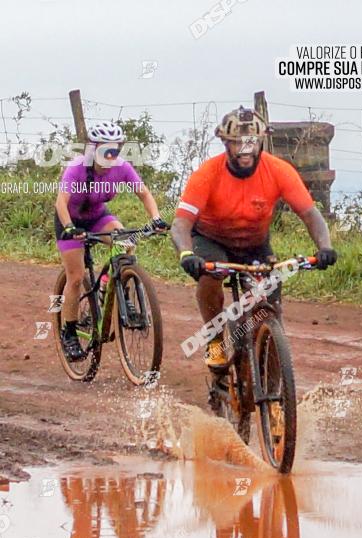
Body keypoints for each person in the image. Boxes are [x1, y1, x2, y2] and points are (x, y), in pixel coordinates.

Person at [171, 106, 337, 368]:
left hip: (255, 245)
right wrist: (187, 254)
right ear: (225, 143)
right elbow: (181, 223)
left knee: (269, 305)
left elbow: (310, 214)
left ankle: (272, 378)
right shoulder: (207, 173)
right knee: (209, 275)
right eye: (236, 144)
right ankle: (215, 341)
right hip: (211, 239)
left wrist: (325, 247)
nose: (244, 150)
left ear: (261, 141)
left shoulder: (279, 170)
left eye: (251, 142)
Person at [55, 121, 168, 361]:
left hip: (97, 217)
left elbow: (144, 193)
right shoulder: (77, 168)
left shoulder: (122, 168)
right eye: (105, 150)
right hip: (71, 222)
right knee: (76, 277)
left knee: (126, 241)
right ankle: (69, 332)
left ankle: (111, 283)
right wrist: (69, 228)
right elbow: (61, 203)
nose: (110, 156)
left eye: (114, 150)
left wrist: (156, 218)